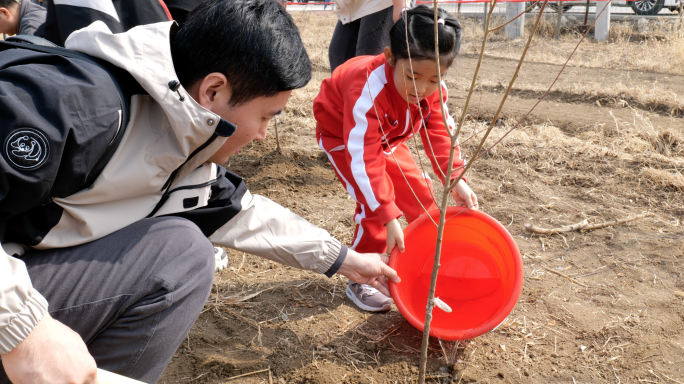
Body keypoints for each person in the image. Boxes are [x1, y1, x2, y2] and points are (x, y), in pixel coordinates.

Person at [0, 0, 399, 383]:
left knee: (183, 248)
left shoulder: (180, 144)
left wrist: (348, 261)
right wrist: (23, 330)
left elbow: (247, 216)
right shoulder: (78, 107)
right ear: (213, 91)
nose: (262, 136)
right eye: (264, 117)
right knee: (180, 255)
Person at [313, 5, 478, 312]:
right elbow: (364, 156)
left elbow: (441, 131)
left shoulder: (432, 88)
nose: (422, 88)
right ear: (390, 58)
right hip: (344, 137)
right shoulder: (366, 88)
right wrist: (388, 214)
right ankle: (362, 277)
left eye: (433, 79)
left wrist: (455, 178)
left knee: (421, 198)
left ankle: (424, 263)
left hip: (388, 137)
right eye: (413, 76)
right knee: (375, 205)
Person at [328, 0, 410, 73]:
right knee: (338, 54)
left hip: (380, 3)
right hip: (353, 5)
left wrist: (400, 4)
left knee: (367, 60)